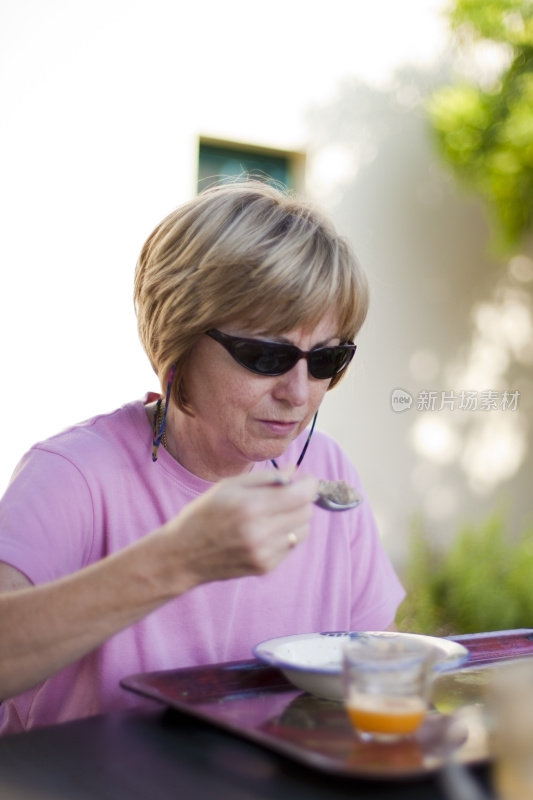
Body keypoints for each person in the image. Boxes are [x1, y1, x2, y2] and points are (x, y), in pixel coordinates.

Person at [0, 179, 404, 734]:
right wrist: (177, 562)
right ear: (180, 339)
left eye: (327, 359)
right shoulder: (75, 476)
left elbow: (372, 675)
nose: (298, 392)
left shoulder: (326, 471)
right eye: (265, 355)